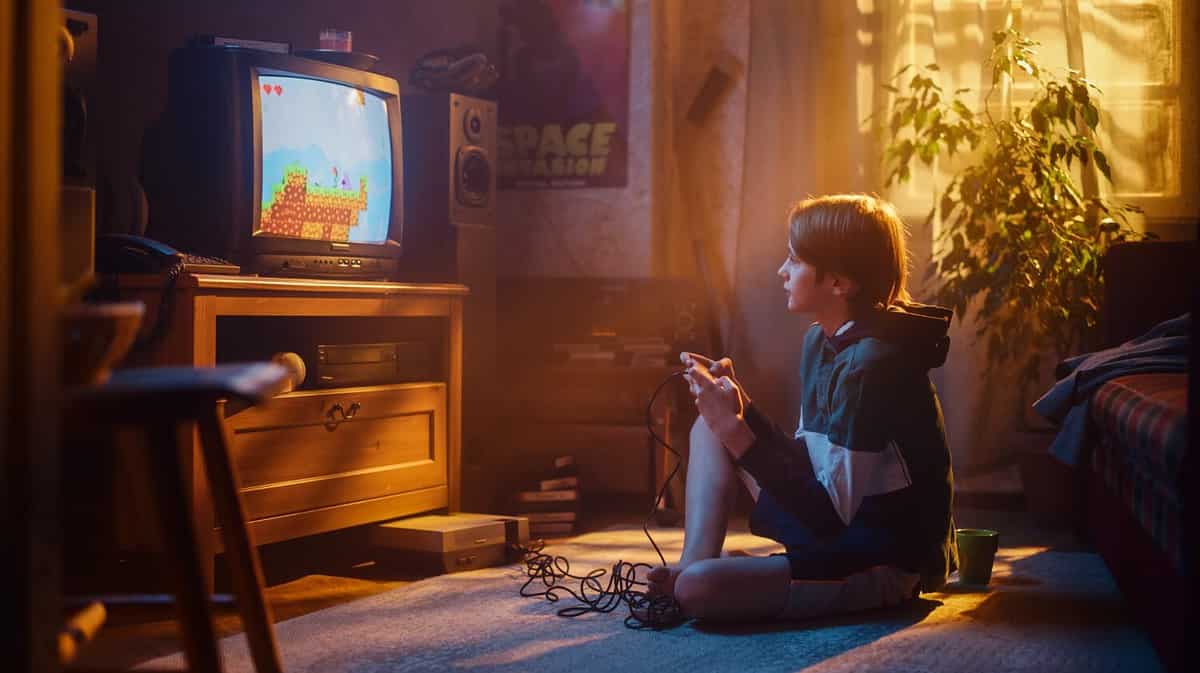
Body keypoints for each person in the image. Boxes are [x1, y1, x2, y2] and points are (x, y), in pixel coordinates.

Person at [649, 194, 957, 622]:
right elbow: (808, 462)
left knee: (700, 590)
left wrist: (739, 431)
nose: (782, 271)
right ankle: (692, 562)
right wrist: (740, 410)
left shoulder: (870, 366)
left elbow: (829, 517)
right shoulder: (822, 341)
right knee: (709, 428)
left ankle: (704, 576)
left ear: (839, 283)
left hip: (880, 554)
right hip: (835, 526)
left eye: (794, 261)